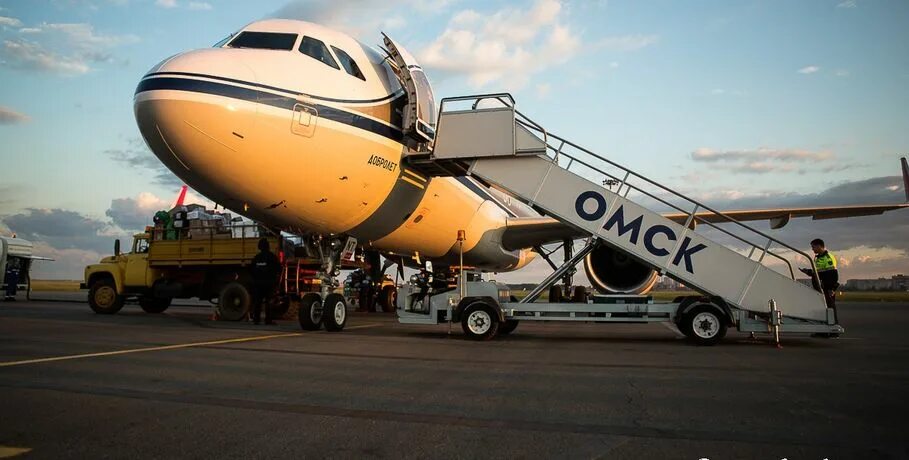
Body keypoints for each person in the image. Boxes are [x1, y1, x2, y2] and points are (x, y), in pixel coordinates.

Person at [800, 238, 840, 336]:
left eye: (813, 247)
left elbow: (833, 275)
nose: (812, 249)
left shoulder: (828, 258)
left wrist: (832, 288)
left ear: (819, 246)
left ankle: (833, 330)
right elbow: (818, 272)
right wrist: (808, 272)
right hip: (819, 288)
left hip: (827, 288)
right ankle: (822, 331)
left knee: (830, 307)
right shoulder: (818, 257)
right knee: (821, 309)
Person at [250, 238, 281, 325]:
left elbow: (251, 270)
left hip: (258, 284)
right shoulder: (272, 257)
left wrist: (255, 280)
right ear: (268, 246)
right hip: (269, 284)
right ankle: (268, 320)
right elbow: (278, 269)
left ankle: (256, 319)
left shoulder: (256, 258)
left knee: (258, 302)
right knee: (269, 302)